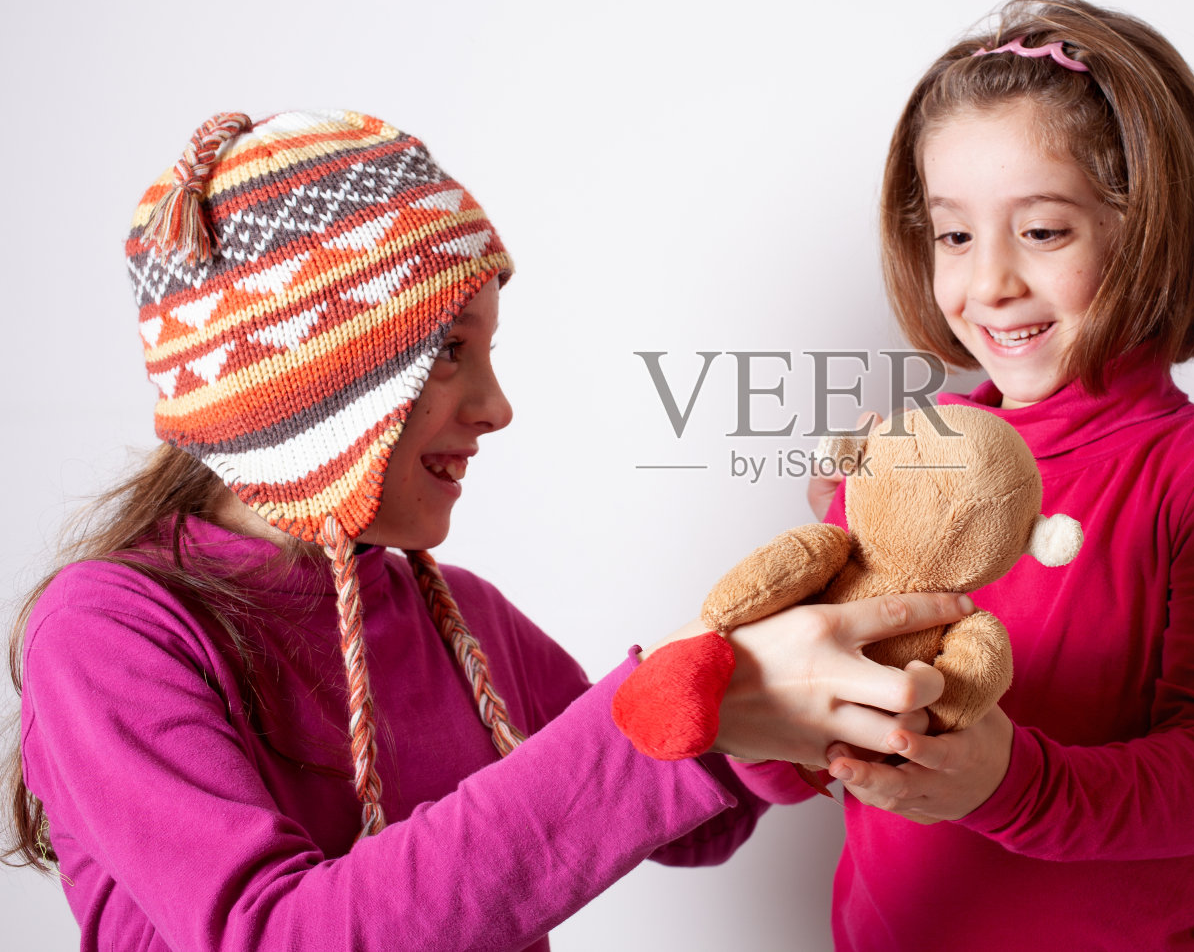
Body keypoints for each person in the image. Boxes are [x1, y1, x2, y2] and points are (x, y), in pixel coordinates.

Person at [2, 109, 967, 951]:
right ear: (318, 383)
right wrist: (670, 707)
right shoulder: (109, 631)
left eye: (488, 352)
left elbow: (683, 821)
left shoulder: (457, 616)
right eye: (450, 351)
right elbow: (280, 934)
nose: (496, 406)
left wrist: (774, 674)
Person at [736, 0, 1194, 950]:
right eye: (955, 235)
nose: (988, 282)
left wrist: (1012, 783)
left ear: (1147, 227)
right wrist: (776, 699)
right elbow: (807, 754)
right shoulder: (913, 457)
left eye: (1042, 231)